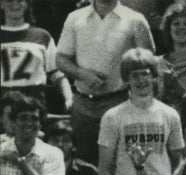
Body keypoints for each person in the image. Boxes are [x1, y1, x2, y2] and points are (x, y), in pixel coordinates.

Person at [97, 47, 184, 175]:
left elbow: (178, 160)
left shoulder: (170, 114)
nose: (141, 81)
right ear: (126, 80)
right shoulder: (113, 116)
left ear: (154, 76)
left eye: (145, 74)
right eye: (134, 75)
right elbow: (105, 169)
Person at [56, 0, 156, 164]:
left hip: (120, 102)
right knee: (82, 163)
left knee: (121, 163)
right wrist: (82, 74)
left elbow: (147, 63)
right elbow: (61, 59)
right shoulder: (74, 18)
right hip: (82, 106)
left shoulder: (135, 19)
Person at [0, 0, 71, 111]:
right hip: (3, 105)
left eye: (20, 0)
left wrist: (69, 97)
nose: (15, 4)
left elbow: (56, 73)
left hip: (33, 104)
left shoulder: (42, 36)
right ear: (1, 3)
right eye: (9, 0)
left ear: (27, 4)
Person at [156, 1, 186, 112]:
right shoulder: (157, 63)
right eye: (176, 23)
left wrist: (177, 85)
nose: (181, 27)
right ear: (168, 29)